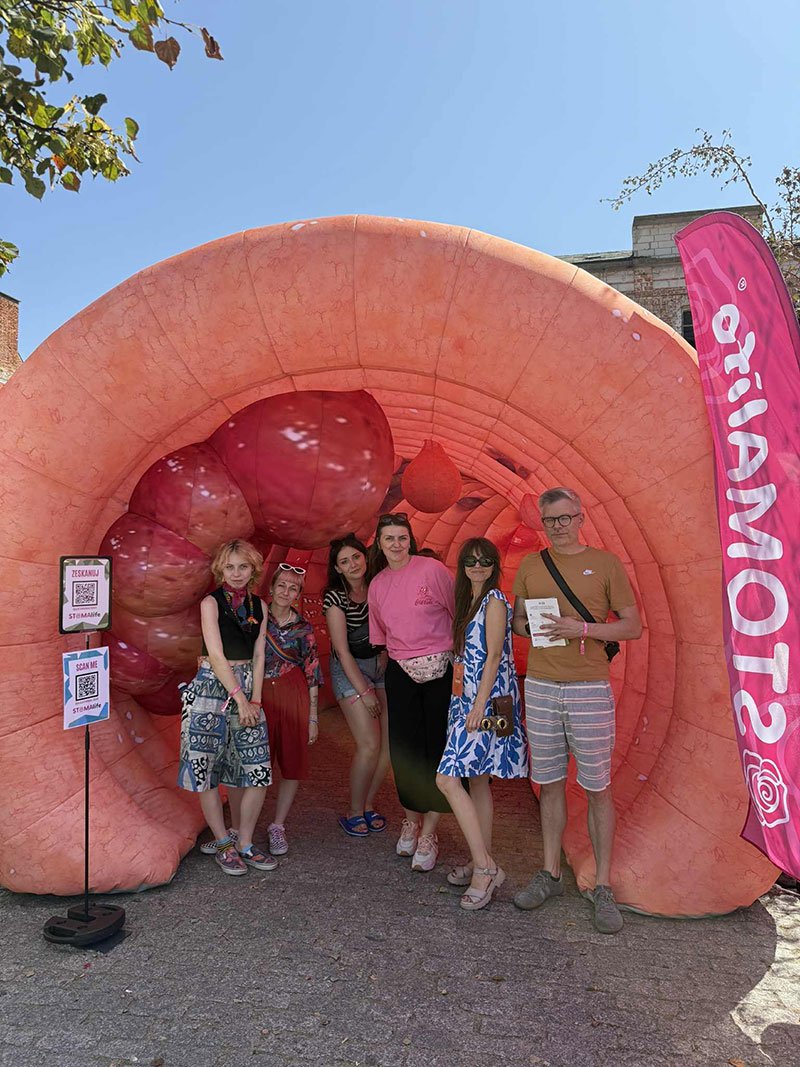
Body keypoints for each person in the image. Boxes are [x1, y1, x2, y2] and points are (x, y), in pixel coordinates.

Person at [511, 487, 642, 933]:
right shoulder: (531, 565)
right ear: (542, 524)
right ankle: (549, 873)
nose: (559, 526)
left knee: (597, 788)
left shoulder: (605, 563)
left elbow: (632, 627)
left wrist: (580, 628)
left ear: (581, 518)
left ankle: (602, 885)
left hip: (589, 688)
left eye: (566, 518)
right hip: (541, 685)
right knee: (548, 784)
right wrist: (533, 627)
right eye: (551, 520)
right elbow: (518, 621)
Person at [436, 538, 529, 910]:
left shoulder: (494, 601)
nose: (478, 566)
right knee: (477, 780)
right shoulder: (468, 601)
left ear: (494, 566)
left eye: (485, 560)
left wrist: (477, 707)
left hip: (483, 704)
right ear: (463, 565)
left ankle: (486, 868)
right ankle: (482, 861)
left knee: (446, 779)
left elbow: (493, 657)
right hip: (465, 700)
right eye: (471, 561)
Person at [178, 539, 275, 876]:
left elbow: (260, 654)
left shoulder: (260, 606)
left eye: (243, 567)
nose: (236, 573)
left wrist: (256, 700)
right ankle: (223, 843)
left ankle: (244, 842)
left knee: (258, 771)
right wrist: (240, 698)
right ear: (220, 569)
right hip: (211, 686)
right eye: (230, 567)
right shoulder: (210, 603)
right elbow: (216, 654)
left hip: (248, 686)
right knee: (204, 769)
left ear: (253, 569)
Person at [368, 512, 455, 871]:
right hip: (401, 671)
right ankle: (411, 821)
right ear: (379, 543)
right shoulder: (377, 585)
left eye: (402, 537)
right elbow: (381, 636)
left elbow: (458, 615)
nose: (396, 544)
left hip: (442, 669)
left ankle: (430, 833)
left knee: (437, 747)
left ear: (411, 541)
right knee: (404, 750)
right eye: (389, 538)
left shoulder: (433, 571)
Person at [323, 534, 390, 837]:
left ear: (365, 557)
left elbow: (390, 623)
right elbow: (342, 650)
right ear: (337, 568)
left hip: (380, 665)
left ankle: (368, 804)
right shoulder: (335, 597)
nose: (352, 564)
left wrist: (385, 650)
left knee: (389, 745)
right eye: (344, 561)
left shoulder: (378, 584)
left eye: (356, 557)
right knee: (369, 744)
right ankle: (353, 810)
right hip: (350, 669)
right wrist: (365, 692)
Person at [260, 562, 323, 856]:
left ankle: (278, 825)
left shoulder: (304, 629)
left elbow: (312, 673)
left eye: (293, 588)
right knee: (255, 761)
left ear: (298, 594)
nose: (286, 591)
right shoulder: (256, 618)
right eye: (282, 585)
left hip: (293, 693)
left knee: (292, 763)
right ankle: (241, 825)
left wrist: (313, 718)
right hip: (260, 694)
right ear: (271, 588)